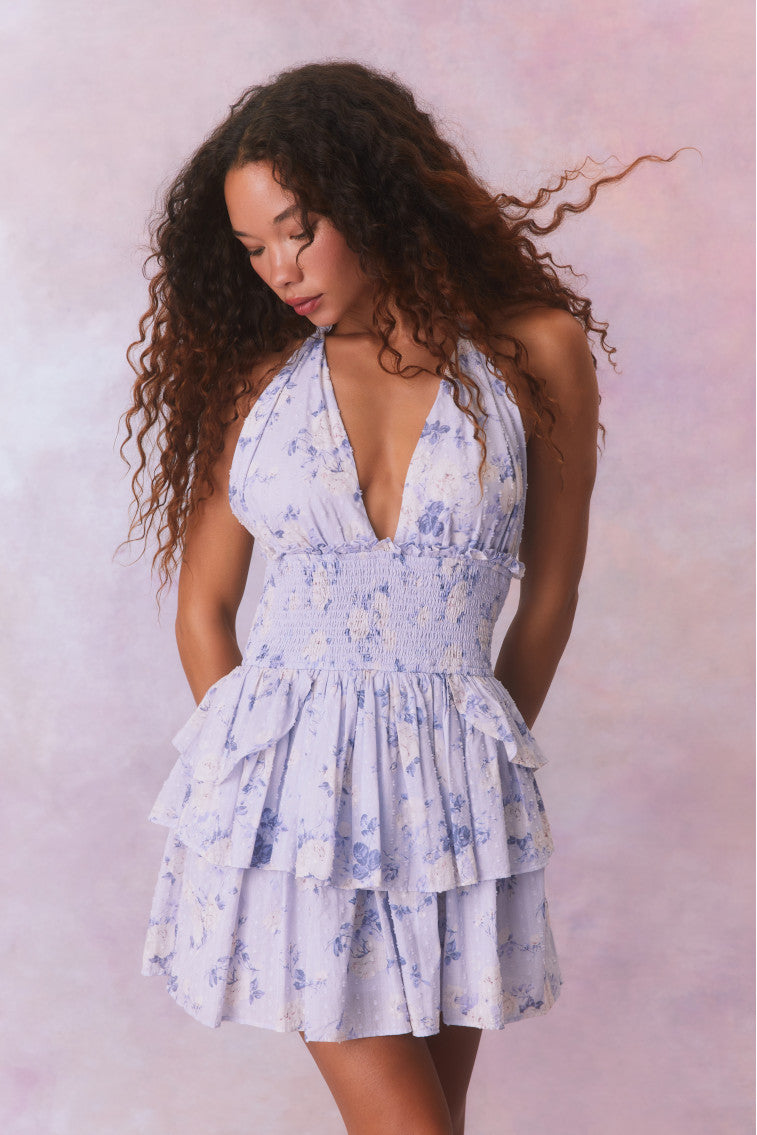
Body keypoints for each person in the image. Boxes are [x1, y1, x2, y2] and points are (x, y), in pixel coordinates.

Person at [122, 60, 676, 1135]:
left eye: (298, 229)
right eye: (253, 247)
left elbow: (551, 588)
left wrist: (486, 750)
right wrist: (254, 781)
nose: (280, 269)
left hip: (457, 796)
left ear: (372, 196)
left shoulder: (534, 353)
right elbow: (203, 608)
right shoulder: (257, 384)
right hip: (294, 803)